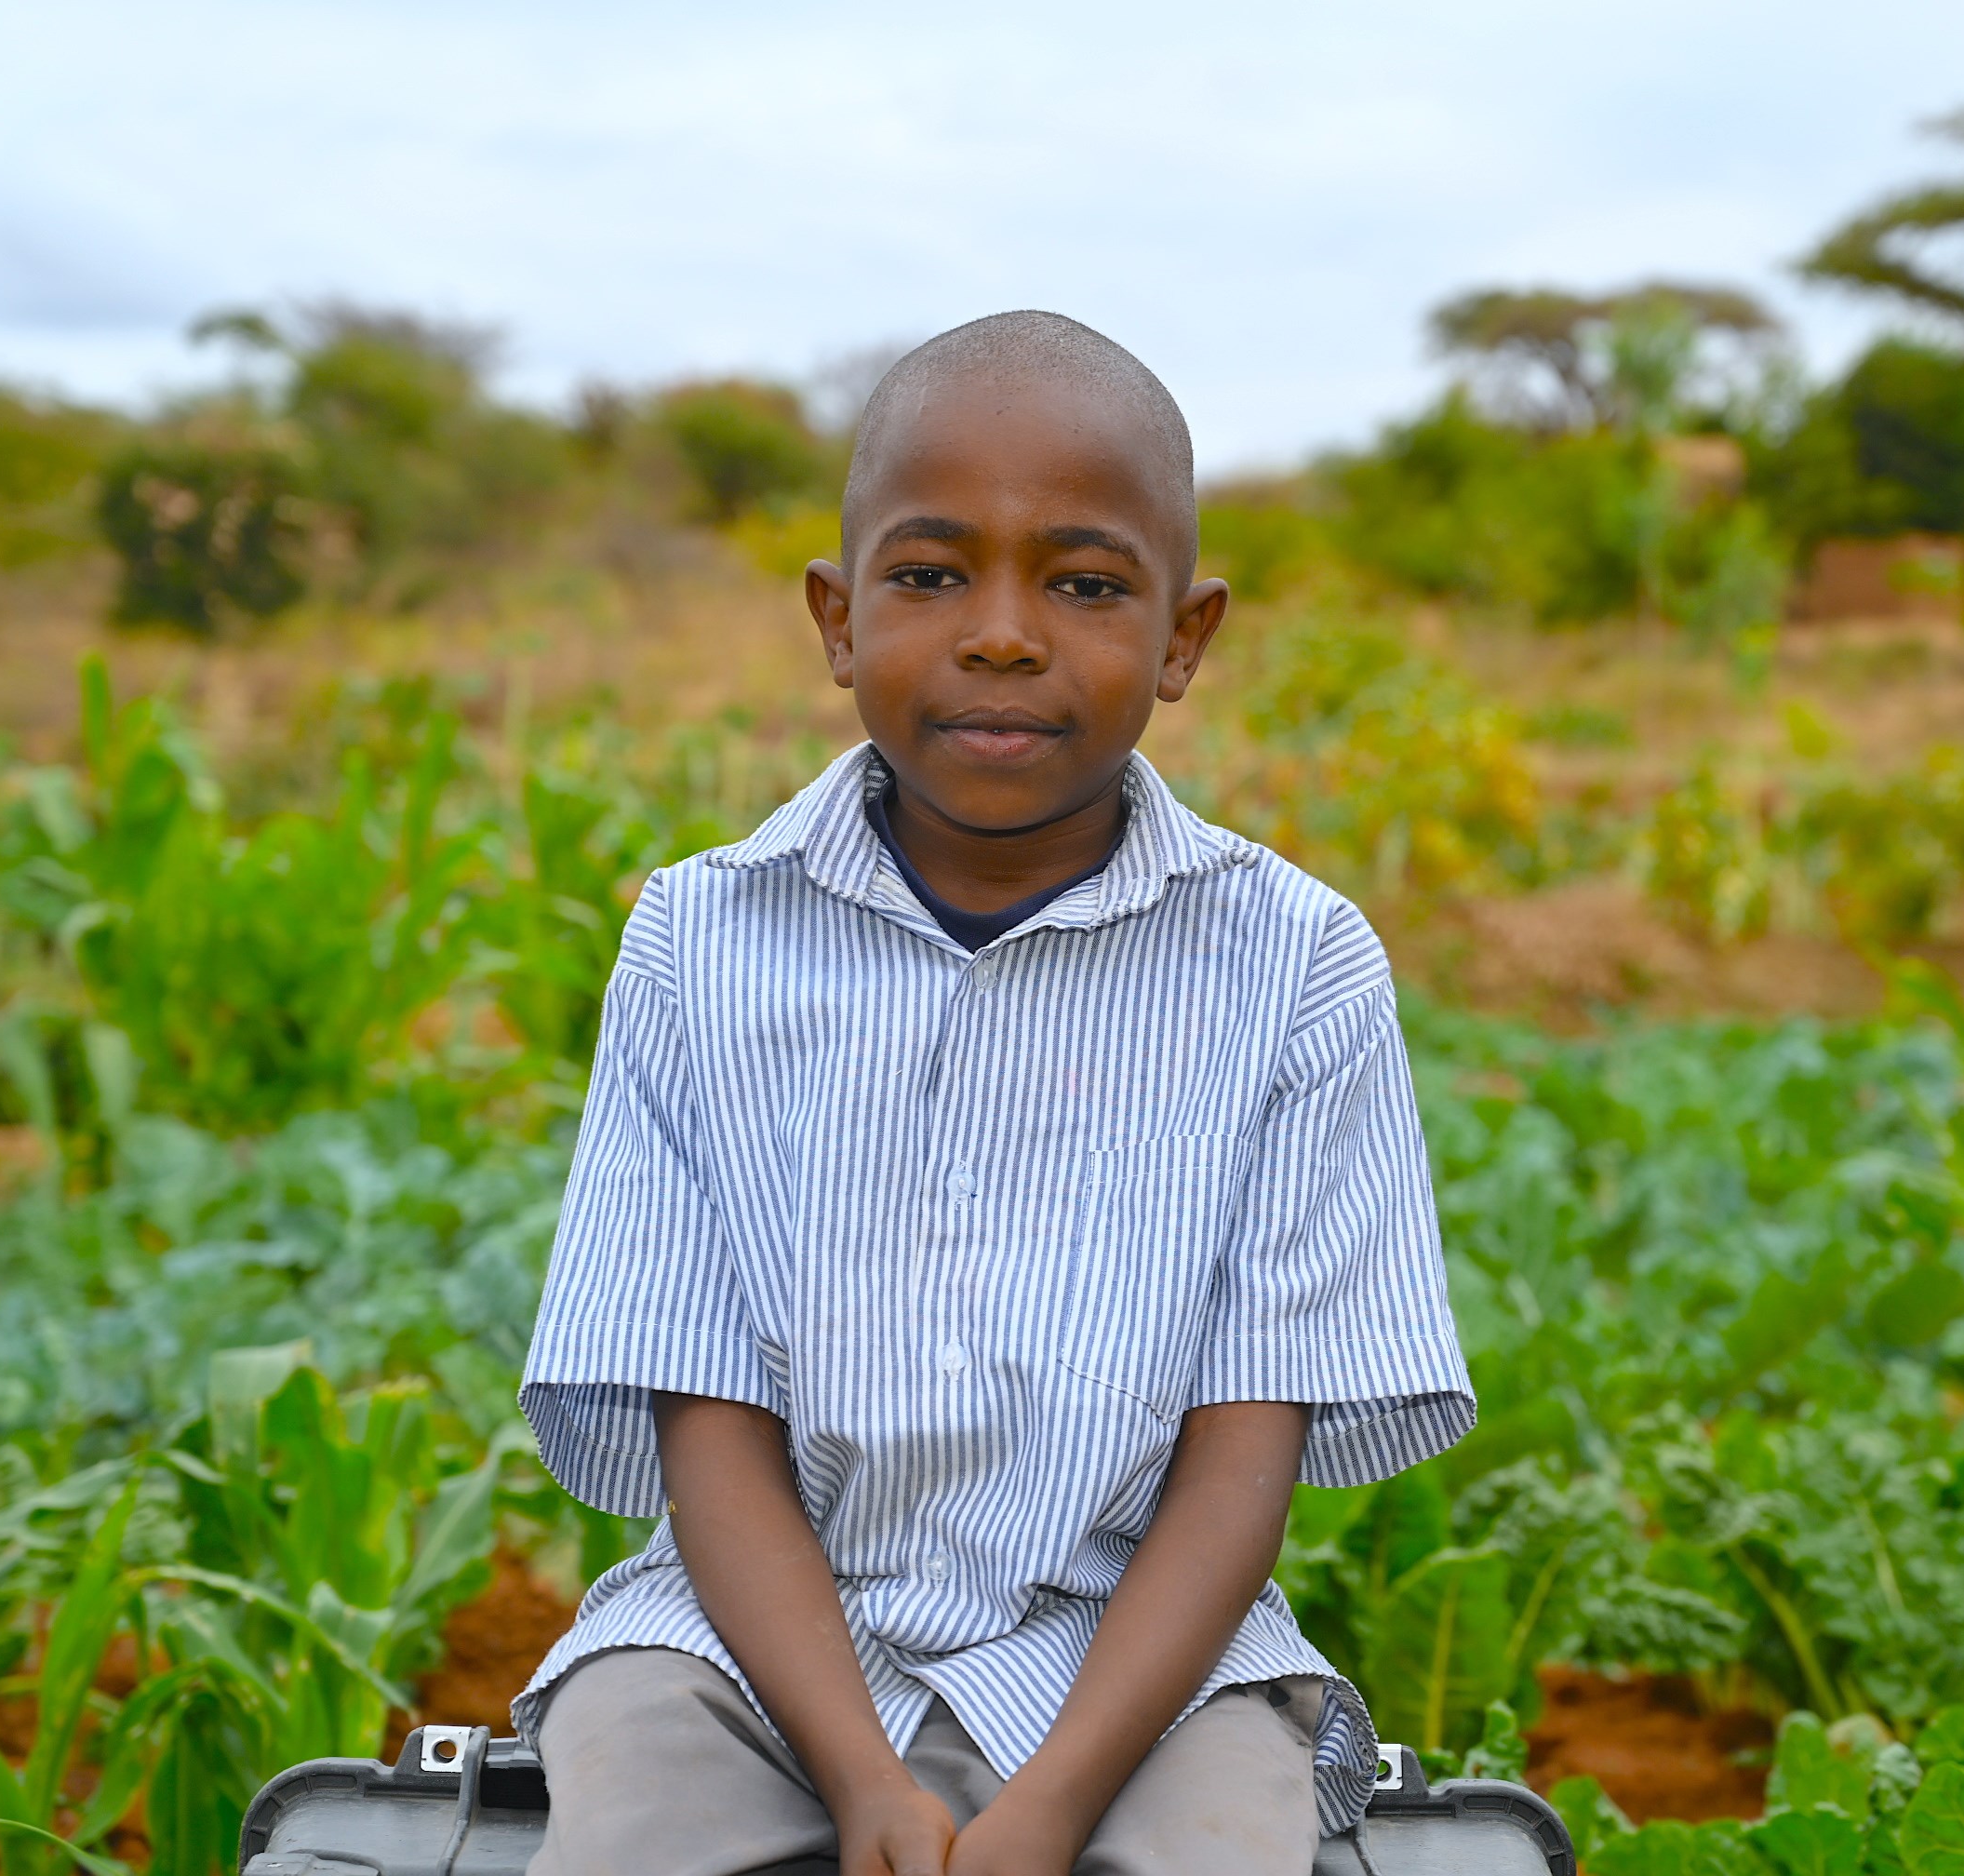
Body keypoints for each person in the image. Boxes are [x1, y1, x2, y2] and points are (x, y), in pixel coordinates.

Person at [514, 311, 1474, 1876]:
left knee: (1228, 1846)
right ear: (837, 618)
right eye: (931, 573)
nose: (1005, 635)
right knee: (620, 1831)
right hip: (744, 1657)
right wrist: (866, 1782)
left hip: (1149, 1670)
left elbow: (1246, 1450)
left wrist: (1052, 1803)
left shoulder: (1298, 966)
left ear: (1184, 637)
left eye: (1087, 585)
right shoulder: (698, 942)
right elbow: (707, 1415)